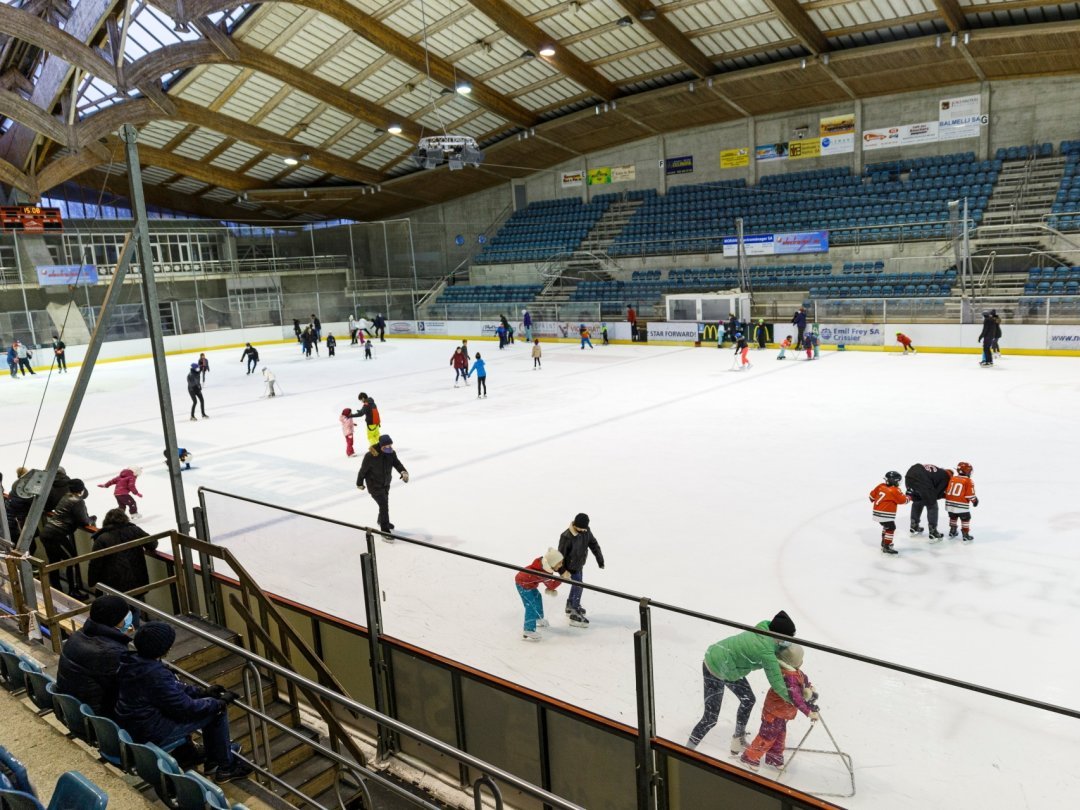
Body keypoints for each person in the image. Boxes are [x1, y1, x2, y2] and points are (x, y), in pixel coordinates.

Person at [115, 622, 251, 783]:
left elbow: (171, 688)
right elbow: (187, 708)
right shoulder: (155, 674)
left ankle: (211, 757)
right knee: (216, 711)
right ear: (163, 649)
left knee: (209, 704)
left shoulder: (132, 662)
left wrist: (201, 692)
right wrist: (219, 702)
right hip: (150, 731)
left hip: (134, 722)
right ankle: (225, 767)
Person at [686, 611, 798, 753]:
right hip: (716, 667)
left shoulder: (763, 631)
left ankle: (737, 739)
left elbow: (774, 656)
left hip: (725, 662)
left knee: (748, 699)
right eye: (788, 638)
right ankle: (687, 751)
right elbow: (776, 681)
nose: (789, 642)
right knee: (710, 718)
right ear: (779, 636)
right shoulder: (765, 649)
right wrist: (795, 699)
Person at [739, 644, 819, 771]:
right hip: (774, 712)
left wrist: (809, 687)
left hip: (781, 712)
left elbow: (803, 679)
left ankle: (774, 758)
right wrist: (808, 712)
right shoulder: (788, 676)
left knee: (780, 735)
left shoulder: (794, 671)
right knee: (767, 736)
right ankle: (749, 757)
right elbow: (796, 698)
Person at [55, 595, 133, 717]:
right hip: (96, 717)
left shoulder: (78, 636)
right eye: (125, 616)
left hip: (72, 709)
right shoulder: (110, 652)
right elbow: (127, 689)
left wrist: (119, 637)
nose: (128, 618)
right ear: (115, 620)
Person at [87, 509, 156, 609]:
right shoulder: (134, 530)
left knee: (118, 612)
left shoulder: (102, 538)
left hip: (114, 587)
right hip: (137, 582)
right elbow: (152, 544)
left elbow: (95, 564)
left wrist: (92, 582)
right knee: (134, 607)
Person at [38, 478, 95, 594]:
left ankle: (56, 589)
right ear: (82, 489)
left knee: (54, 561)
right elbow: (84, 521)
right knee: (71, 560)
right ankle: (73, 590)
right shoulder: (77, 501)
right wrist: (92, 519)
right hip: (56, 535)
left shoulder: (66, 497)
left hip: (48, 533)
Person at [557, 514, 604, 628]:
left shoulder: (586, 531)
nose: (583, 530)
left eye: (585, 528)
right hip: (570, 567)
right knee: (579, 586)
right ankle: (574, 609)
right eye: (581, 528)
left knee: (577, 585)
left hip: (579, 564)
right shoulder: (566, 536)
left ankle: (570, 604)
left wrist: (600, 559)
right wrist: (562, 571)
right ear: (575, 525)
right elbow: (559, 556)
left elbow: (593, 544)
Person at [356, 435, 408, 533]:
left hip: (385, 484)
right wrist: (359, 483)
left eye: (390, 445)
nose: (388, 448)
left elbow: (397, 463)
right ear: (381, 446)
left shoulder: (391, 453)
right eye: (386, 446)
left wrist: (403, 472)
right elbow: (362, 471)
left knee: (384, 504)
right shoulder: (370, 456)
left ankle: (382, 520)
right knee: (384, 505)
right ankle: (384, 529)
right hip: (374, 485)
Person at [515, 548, 566, 642]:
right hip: (522, 584)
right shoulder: (544, 573)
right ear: (552, 563)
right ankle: (528, 630)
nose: (561, 565)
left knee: (538, 597)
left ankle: (538, 618)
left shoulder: (542, 565)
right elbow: (551, 585)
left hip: (529, 584)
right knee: (530, 605)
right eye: (559, 563)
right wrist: (562, 578)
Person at [905, 463, 951, 541]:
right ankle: (933, 531)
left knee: (918, 500)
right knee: (932, 504)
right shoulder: (946, 477)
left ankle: (914, 525)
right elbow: (936, 494)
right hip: (922, 478)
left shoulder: (937, 472)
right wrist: (944, 496)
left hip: (910, 475)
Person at [871, 471, 909, 555]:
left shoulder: (880, 486)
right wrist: (910, 496)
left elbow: (871, 497)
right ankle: (886, 546)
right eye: (898, 481)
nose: (899, 482)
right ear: (894, 481)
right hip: (885, 514)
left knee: (887, 526)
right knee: (891, 527)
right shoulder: (894, 490)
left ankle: (884, 542)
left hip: (876, 513)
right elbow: (903, 500)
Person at [945, 462, 978, 542]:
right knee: (966, 518)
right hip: (961, 505)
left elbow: (947, 490)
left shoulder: (952, 478)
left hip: (949, 505)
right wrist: (975, 501)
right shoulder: (968, 481)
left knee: (953, 517)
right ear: (967, 471)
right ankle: (965, 534)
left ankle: (952, 531)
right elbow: (969, 495)